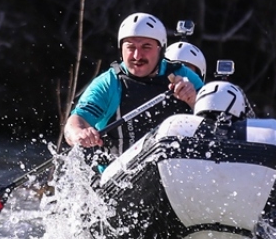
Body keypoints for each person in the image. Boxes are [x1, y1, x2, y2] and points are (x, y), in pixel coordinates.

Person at [64, 13, 205, 155]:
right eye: (131, 47)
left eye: (146, 47)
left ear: (160, 49)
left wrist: (194, 101)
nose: (137, 56)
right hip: (121, 173)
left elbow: (216, 121)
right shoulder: (109, 83)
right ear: (121, 50)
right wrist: (79, 134)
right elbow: (76, 121)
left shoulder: (184, 75)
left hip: (179, 167)